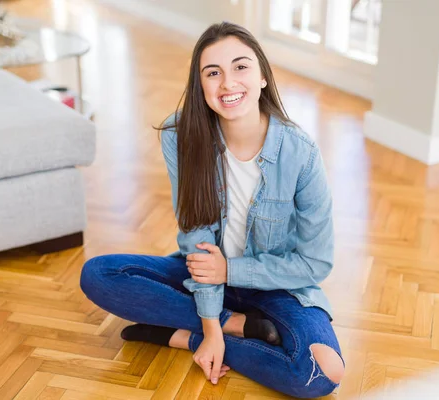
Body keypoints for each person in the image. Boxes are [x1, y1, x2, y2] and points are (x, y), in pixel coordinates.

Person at [80, 21, 345, 398]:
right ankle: (237, 326)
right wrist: (213, 324)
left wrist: (229, 273)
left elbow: (316, 263)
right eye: (213, 73)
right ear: (200, 84)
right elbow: (197, 237)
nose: (227, 83)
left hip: (277, 285)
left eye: (241, 67)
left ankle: (176, 336)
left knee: (322, 374)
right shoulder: (181, 136)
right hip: (204, 273)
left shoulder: (300, 152)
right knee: (99, 274)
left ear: (263, 76)